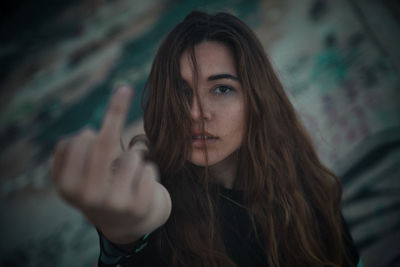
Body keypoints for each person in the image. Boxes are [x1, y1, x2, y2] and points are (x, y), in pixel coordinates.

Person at [52, 11, 361, 267]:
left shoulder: (307, 189)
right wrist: (124, 235)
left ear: (257, 99)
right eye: (182, 92)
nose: (195, 113)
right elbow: (138, 226)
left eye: (222, 88)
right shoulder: (151, 196)